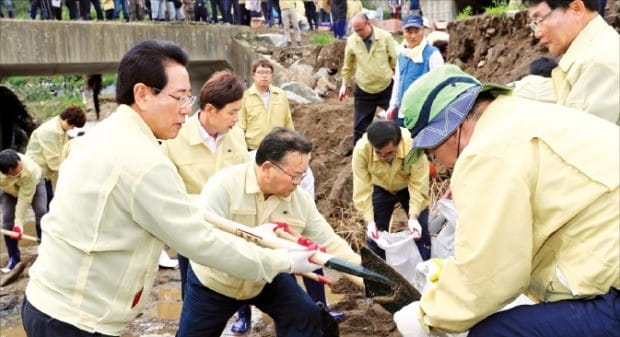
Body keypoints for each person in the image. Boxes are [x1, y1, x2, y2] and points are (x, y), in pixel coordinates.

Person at [21, 39, 318, 337]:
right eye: (178, 98)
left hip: (46, 303)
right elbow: (199, 241)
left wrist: (252, 233)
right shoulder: (144, 161)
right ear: (142, 94)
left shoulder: (99, 137)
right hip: (75, 321)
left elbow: (181, 207)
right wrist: (283, 260)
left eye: (188, 99)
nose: (185, 111)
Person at [393, 64, 619, 337]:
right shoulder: (526, 114)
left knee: (493, 333)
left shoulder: (485, 153)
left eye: (431, 152)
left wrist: (426, 318)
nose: (437, 165)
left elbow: (490, 278)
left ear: (449, 132)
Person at [177, 127, 361, 337]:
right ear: (267, 168)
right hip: (217, 282)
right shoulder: (223, 187)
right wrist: (285, 260)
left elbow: (330, 242)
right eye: (294, 176)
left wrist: (365, 275)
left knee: (305, 314)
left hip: (266, 278)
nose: (298, 183)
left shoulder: (299, 200)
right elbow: (211, 243)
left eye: (302, 176)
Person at [162, 70, 249, 300]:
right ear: (210, 109)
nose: (236, 119)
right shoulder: (175, 140)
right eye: (232, 112)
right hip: (192, 232)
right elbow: (170, 193)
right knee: (192, 293)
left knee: (240, 282)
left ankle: (243, 314)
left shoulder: (237, 136)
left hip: (231, 228)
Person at [524, 0, 619, 124]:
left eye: (540, 20)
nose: (537, 33)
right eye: (535, 24)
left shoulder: (597, 64)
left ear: (576, 9)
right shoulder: (592, 54)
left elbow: (580, 139)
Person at [352, 120, 430, 260]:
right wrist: (369, 221)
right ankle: (382, 272)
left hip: (408, 186)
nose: (384, 157)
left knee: (421, 230)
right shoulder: (361, 150)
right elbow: (362, 187)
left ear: (399, 143)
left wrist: (413, 217)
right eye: (379, 153)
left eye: (389, 153)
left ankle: (426, 267)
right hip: (380, 186)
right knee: (375, 236)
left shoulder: (413, 146)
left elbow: (419, 183)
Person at [340, 12, 397, 144]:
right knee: (360, 128)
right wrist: (344, 84)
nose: (359, 33)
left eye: (361, 29)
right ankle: (358, 159)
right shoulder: (352, 41)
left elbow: (394, 60)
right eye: (356, 30)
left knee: (397, 121)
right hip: (364, 89)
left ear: (369, 24)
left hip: (386, 86)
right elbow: (348, 65)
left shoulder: (385, 37)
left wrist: (397, 78)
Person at [386, 14, 444, 126]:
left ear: (423, 31)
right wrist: (393, 105)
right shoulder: (402, 55)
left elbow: (439, 84)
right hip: (403, 112)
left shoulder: (432, 54)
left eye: (416, 31)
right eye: (408, 32)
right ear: (403, 33)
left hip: (424, 113)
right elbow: (398, 82)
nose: (413, 36)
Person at [0, 149, 47, 273]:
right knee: (6, 220)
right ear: (5, 173)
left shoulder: (30, 170)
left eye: (20, 167)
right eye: (17, 171)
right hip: (7, 189)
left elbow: (24, 199)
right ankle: (14, 258)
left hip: (34, 184)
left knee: (41, 212)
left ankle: (45, 252)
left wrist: (19, 225)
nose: (21, 170)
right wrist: (13, 225)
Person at [25, 105, 86, 193]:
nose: (72, 128)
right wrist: (73, 172)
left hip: (48, 175)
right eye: (72, 125)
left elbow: (64, 152)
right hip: (37, 174)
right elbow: (54, 161)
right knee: (47, 204)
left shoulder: (62, 129)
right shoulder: (49, 131)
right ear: (66, 119)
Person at [238, 59, 295, 151]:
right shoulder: (245, 97)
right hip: (254, 148)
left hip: (278, 147)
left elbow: (288, 122)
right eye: (260, 72)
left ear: (272, 75)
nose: (264, 76)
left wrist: (292, 144)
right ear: (253, 75)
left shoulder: (280, 94)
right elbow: (240, 126)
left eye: (267, 72)